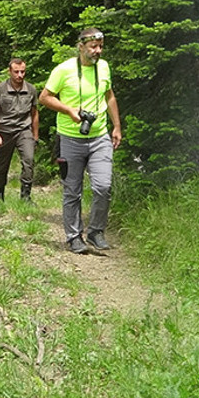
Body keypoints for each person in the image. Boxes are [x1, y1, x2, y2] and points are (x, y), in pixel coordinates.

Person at [39, 28, 122, 254]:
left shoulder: (103, 67)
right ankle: (74, 236)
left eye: (100, 46)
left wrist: (116, 126)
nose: (98, 51)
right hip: (69, 138)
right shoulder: (63, 70)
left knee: (103, 186)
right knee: (72, 190)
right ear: (81, 46)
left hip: (99, 137)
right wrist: (68, 110)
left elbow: (109, 95)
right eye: (93, 47)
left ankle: (96, 231)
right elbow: (44, 97)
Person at [0, 58, 40, 202]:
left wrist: (35, 136)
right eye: (16, 72)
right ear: (10, 72)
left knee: (29, 160)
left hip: (24, 130)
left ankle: (25, 196)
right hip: (4, 131)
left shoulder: (31, 89)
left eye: (23, 72)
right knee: (3, 165)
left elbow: (34, 113)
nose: (20, 75)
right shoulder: (0, 89)